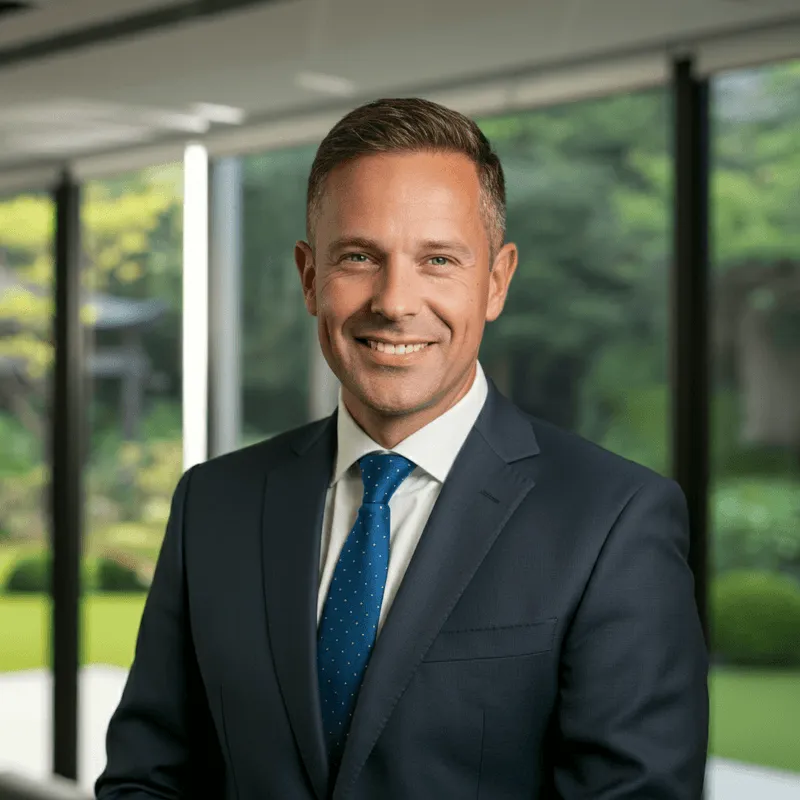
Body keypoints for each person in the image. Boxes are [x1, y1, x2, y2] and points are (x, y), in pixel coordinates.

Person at [95, 98, 709, 800]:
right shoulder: (214, 504)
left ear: (497, 281)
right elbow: (148, 780)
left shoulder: (613, 520)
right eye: (359, 257)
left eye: (438, 259)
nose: (394, 301)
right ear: (308, 277)